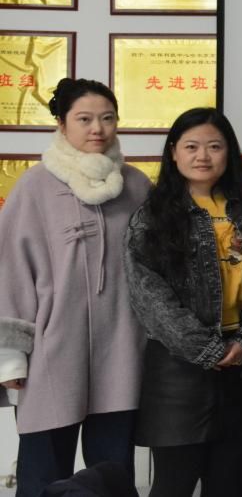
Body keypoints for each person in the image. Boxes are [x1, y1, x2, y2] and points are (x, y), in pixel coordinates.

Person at [0, 78, 151, 497]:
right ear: (62, 124)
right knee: (42, 473)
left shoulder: (136, 186)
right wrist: (11, 358)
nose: (97, 128)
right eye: (84, 119)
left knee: (113, 471)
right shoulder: (35, 186)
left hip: (121, 349)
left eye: (107, 118)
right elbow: (11, 271)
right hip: (52, 351)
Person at [123, 108, 242, 497]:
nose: (202, 156)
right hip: (177, 373)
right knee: (173, 484)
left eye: (214, 147)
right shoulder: (153, 216)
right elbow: (148, 293)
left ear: (229, 152)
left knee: (231, 484)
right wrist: (205, 348)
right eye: (191, 146)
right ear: (174, 152)